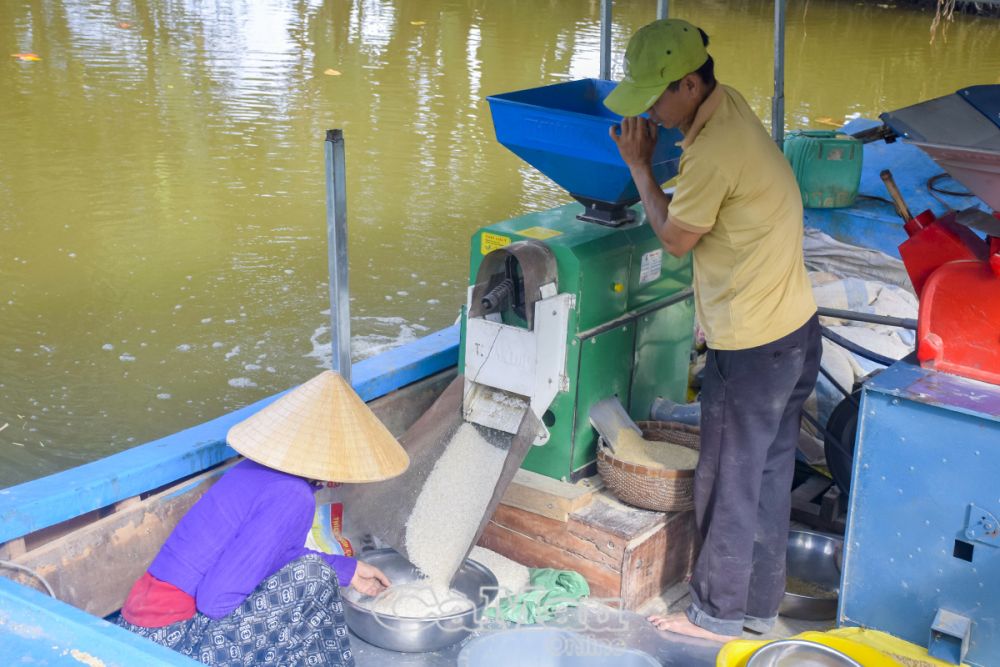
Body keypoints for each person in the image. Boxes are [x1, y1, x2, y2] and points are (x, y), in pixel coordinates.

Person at [604, 19, 821, 642]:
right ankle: (757, 607)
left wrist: (642, 167)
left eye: (657, 97)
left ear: (691, 84)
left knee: (726, 476)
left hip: (754, 347)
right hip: (795, 332)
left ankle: (715, 617)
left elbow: (673, 240)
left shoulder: (716, 149)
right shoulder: (726, 108)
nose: (648, 109)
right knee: (768, 472)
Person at [117, 370, 410, 665]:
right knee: (315, 577)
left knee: (316, 573)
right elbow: (216, 600)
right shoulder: (294, 495)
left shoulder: (255, 471)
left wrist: (348, 569)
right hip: (172, 645)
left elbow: (273, 552)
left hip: (139, 631)